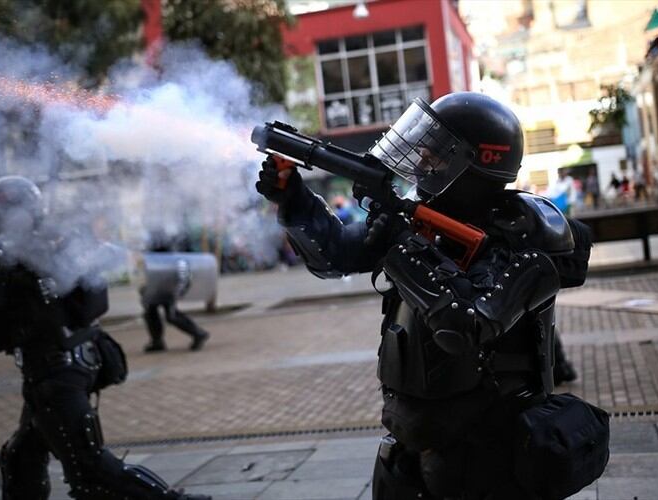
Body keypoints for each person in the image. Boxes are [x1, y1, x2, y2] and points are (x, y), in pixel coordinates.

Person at [256, 92, 607, 499]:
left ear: (478, 163)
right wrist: (293, 199)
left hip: (488, 453)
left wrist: (402, 245)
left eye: (436, 155)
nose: (422, 163)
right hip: (409, 436)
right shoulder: (423, 221)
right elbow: (337, 256)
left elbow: (466, 323)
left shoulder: (527, 233)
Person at [0, 176, 209, 500]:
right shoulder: (56, 238)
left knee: (90, 467)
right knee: (21, 458)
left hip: (53, 373)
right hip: (78, 359)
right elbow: (105, 263)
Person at [140, 234, 210, 353]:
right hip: (163, 276)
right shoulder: (160, 236)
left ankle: (198, 333)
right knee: (152, 310)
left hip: (166, 277)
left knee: (170, 314)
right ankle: (157, 341)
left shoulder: (162, 239)